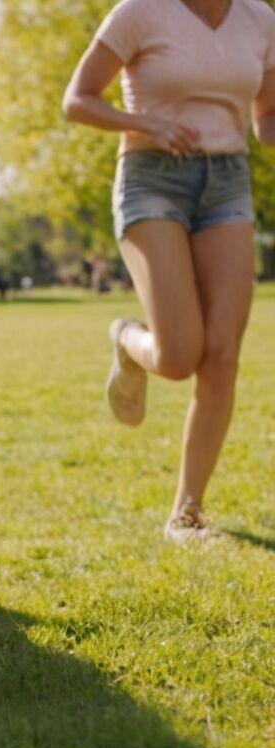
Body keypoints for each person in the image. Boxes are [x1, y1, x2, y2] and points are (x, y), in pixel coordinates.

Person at [63, 0, 275, 542]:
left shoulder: (261, 18)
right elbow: (78, 100)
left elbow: (267, 119)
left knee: (222, 356)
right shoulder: (140, 11)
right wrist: (145, 123)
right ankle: (127, 339)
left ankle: (188, 511)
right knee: (179, 358)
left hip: (227, 181)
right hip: (151, 178)